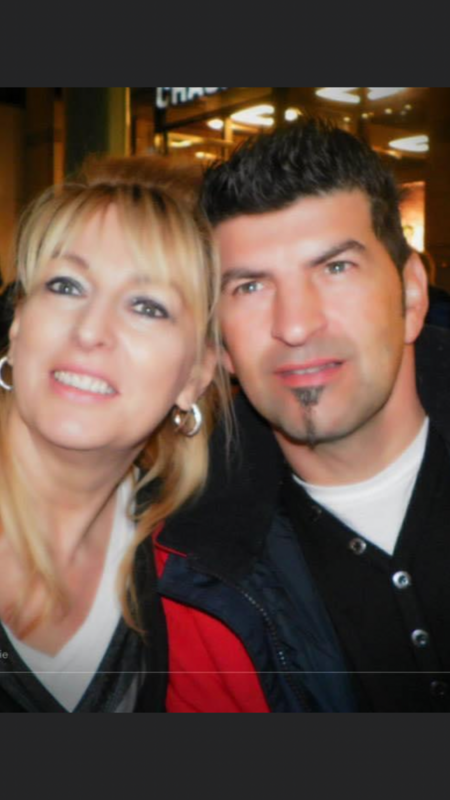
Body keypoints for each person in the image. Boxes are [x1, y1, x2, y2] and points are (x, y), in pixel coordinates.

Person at [155, 118, 450, 712]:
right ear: (220, 343)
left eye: (335, 268)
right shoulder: (189, 575)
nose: (294, 325)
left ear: (412, 296)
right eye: (250, 287)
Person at [0, 156, 226, 712]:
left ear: (196, 374)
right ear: (18, 322)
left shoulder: (192, 567)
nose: (91, 331)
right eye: (66, 285)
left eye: (147, 307)